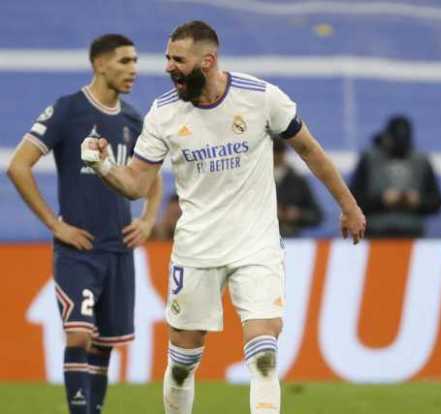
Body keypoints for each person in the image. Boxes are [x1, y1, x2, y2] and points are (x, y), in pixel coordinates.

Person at [79, 20, 366, 414]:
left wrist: (348, 206)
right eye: (167, 58)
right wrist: (104, 165)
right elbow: (135, 185)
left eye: (177, 59)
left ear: (207, 61)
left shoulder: (261, 97)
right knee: (182, 366)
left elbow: (310, 150)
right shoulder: (163, 114)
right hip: (197, 249)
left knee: (264, 357)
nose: (167, 67)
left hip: (256, 244)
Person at [6, 34, 162, 414]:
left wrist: (147, 219)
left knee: (105, 342)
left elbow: (152, 175)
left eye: (135, 61)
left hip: (119, 251)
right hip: (78, 250)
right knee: (79, 334)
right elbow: (18, 165)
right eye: (124, 61)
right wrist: (53, 224)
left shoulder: (132, 118)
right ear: (100, 64)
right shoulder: (68, 110)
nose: (134, 70)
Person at [350, 115, 441, 237]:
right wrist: (381, 200)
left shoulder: (421, 161)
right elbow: (353, 200)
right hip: (375, 233)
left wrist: (418, 201)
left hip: (412, 234)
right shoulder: (369, 159)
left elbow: (437, 201)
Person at [273, 138, 323, 237]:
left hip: (290, 239)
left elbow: (317, 215)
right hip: (261, 240)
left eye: (278, 152)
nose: (275, 157)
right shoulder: (256, 179)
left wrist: (298, 214)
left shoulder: (297, 181)